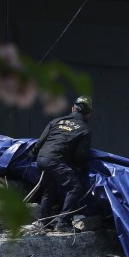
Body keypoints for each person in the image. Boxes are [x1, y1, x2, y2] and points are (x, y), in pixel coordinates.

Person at [30, 96, 93, 231]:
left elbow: (39, 143)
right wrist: (78, 166)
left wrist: (32, 155)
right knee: (75, 187)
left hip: (41, 159)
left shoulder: (56, 121)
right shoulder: (84, 129)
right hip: (56, 160)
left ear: (72, 109)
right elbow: (80, 157)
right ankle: (62, 222)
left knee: (49, 190)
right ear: (88, 114)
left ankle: (42, 222)